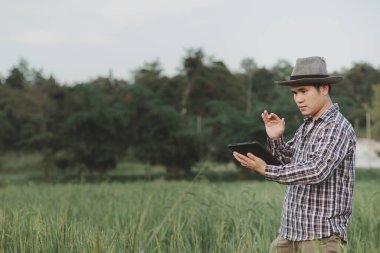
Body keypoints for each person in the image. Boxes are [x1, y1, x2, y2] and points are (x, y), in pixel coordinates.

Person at [233, 56, 356, 253]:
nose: (298, 99)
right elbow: (289, 161)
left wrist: (265, 169)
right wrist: (275, 139)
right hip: (290, 233)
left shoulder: (337, 127)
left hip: (320, 237)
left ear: (324, 88)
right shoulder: (307, 125)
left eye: (304, 91)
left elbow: (316, 170)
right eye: (295, 93)